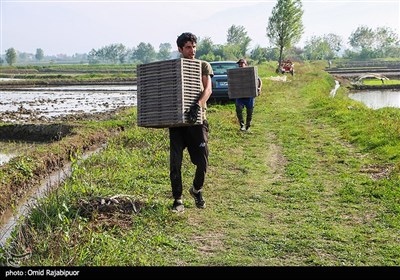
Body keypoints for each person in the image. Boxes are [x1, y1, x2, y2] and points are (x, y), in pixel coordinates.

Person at [169, 32, 214, 213]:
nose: (192, 50)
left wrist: (198, 105)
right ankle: (178, 200)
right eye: (188, 47)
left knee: (202, 160)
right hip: (178, 124)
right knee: (175, 162)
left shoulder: (203, 65)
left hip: (197, 122)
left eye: (194, 47)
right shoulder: (174, 67)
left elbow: (208, 89)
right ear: (180, 49)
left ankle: (196, 190)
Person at [235, 58, 262, 131]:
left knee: (250, 112)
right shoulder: (236, 73)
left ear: (245, 64)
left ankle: (248, 126)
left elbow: (259, 80)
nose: (240, 65)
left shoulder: (250, 71)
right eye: (239, 64)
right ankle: (242, 125)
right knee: (238, 110)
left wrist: (259, 88)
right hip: (240, 96)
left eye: (242, 63)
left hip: (250, 96)